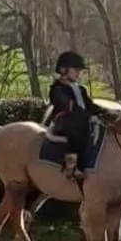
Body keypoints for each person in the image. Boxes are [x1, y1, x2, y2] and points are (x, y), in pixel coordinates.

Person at [46, 50, 97, 179]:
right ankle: (71, 164)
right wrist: (87, 116)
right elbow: (69, 106)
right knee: (77, 126)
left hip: (80, 118)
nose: (79, 73)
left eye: (79, 71)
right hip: (64, 120)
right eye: (76, 70)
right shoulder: (57, 89)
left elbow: (90, 105)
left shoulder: (81, 89)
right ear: (64, 70)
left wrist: (104, 112)